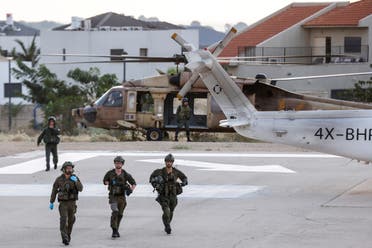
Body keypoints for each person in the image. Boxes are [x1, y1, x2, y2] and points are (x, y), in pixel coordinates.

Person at [149, 153, 188, 234]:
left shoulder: (176, 172)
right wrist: (155, 184)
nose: (169, 163)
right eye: (167, 161)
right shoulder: (159, 172)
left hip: (173, 196)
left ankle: (167, 223)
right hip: (163, 195)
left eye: (170, 161)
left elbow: (184, 178)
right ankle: (167, 226)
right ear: (165, 162)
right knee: (166, 211)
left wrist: (183, 182)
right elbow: (151, 178)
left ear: (172, 162)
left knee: (171, 212)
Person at [49, 161, 83, 246]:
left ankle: (68, 235)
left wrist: (76, 182)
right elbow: (54, 190)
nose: (69, 170)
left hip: (72, 203)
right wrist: (51, 201)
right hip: (63, 203)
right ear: (64, 169)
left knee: (71, 220)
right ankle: (64, 238)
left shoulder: (75, 178)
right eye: (67, 168)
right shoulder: (59, 179)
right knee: (63, 220)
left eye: (70, 168)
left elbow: (80, 188)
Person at [103, 156, 136, 238]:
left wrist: (130, 189)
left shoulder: (125, 174)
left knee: (120, 214)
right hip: (113, 196)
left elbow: (134, 183)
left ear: (122, 164)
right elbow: (105, 181)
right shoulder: (110, 173)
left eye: (119, 163)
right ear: (114, 163)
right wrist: (109, 182)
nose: (118, 164)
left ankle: (116, 229)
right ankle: (114, 230)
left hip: (122, 197)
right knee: (115, 211)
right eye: (116, 163)